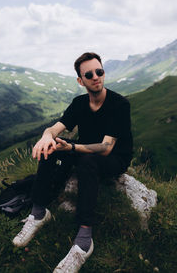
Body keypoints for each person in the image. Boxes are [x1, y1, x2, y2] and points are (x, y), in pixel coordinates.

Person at [12, 52, 133, 272]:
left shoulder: (119, 104)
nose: (96, 77)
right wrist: (47, 137)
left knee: (87, 162)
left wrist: (72, 147)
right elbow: (55, 128)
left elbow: (106, 148)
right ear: (81, 80)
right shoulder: (79, 103)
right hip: (85, 151)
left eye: (100, 71)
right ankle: (38, 212)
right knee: (51, 147)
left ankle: (84, 240)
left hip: (114, 159)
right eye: (89, 74)